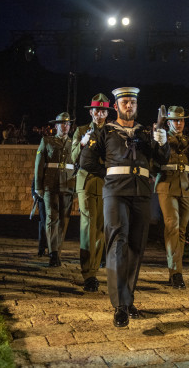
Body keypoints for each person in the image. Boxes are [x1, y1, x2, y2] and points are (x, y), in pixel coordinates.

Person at [80, 87, 170, 327]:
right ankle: (120, 305)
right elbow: (86, 161)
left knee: (136, 246)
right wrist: (109, 175)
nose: (129, 106)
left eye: (133, 102)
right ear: (117, 106)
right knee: (118, 241)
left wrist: (162, 139)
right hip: (116, 192)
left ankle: (128, 298)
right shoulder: (105, 131)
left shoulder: (144, 132)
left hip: (140, 192)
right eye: (125, 102)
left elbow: (162, 159)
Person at [71, 93, 113, 292]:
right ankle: (88, 273)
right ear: (91, 112)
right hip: (87, 181)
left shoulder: (112, 131)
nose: (100, 114)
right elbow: (73, 157)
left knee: (100, 227)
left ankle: (94, 269)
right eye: (97, 110)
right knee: (88, 225)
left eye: (104, 110)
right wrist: (82, 143)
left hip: (104, 183)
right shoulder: (80, 130)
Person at [155, 105, 189, 289]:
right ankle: (176, 272)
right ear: (169, 121)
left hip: (186, 185)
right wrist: (159, 137)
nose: (178, 123)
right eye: (175, 120)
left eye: (181, 120)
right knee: (172, 225)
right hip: (167, 183)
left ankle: (176, 268)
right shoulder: (162, 138)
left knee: (182, 230)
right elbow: (156, 158)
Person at [34, 112, 75, 267]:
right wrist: (38, 186)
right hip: (50, 185)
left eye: (68, 124)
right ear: (56, 126)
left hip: (68, 185)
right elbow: (39, 165)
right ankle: (53, 253)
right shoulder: (47, 141)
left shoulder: (74, 143)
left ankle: (58, 249)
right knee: (52, 218)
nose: (65, 126)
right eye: (62, 124)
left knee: (64, 220)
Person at [31, 178, 48, 256]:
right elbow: (35, 180)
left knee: (47, 222)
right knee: (43, 221)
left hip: (50, 195)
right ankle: (42, 248)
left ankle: (49, 247)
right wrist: (35, 195)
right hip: (42, 198)